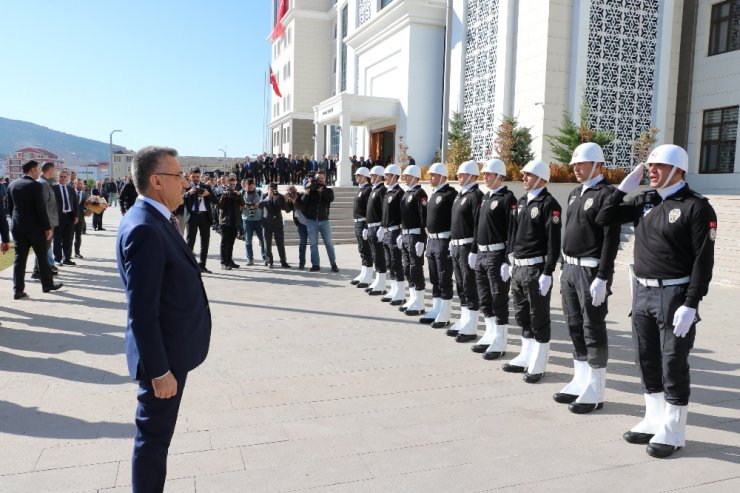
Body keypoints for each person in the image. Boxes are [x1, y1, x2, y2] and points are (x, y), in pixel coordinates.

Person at [595, 144, 716, 458]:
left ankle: (674, 430)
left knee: (673, 361)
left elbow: (703, 261)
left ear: (678, 171)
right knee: (645, 358)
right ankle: (653, 418)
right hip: (643, 292)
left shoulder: (696, 206)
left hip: (675, 295)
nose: (651, 171)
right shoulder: (645, 200)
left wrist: (692, 303)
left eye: (658, 166)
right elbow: (603, 216)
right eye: (649, 166)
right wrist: (623, 188)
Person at [116, 146, 211, 491]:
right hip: (163, 360)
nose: (185, 182)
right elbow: (142, 312)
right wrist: (159, 371)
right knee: (153, 442)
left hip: (172, 350)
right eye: (178, 175)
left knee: (157, 439)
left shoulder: (154, 218)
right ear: (157, 181)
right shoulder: (145, 228)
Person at [554, 143, 621, 414]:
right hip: (570, 268)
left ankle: (596, 388)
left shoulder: (608, 195)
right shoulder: (574, 193)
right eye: (574, 164)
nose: (575, 168)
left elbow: (611, 239)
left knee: (593, 328)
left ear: (598, 165)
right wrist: (562, 263)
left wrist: (603, 276)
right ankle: (580, 379)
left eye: (581, 164)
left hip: (591, 271)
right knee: (574, 324)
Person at [502, 159, 562, 383]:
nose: (523, 178)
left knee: (539, 317)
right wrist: (509, 256)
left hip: (536, 269)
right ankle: (526, 355)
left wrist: (548, 271)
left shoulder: (549, 204)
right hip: (518, 267)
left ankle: (538, 362)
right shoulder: (522, 201)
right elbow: (513, 232)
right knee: (522, 315)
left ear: (541, 178)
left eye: (528, 175)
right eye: (523, 174)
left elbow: (553, 242)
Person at [472, 159, 517, 359]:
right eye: (484, 174)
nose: (485, 177)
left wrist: (508, 259)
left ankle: (500, 340)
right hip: (482, 253)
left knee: (498, 297)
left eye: (489, 174)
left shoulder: (508, 198)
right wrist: (474, 250)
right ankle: (490, 334)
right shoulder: (485, 197)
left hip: (497, 254)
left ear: (500, 175)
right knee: (484, 297)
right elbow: (477, 226)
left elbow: (512, 230)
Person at [7, 160, 63, 299]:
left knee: (19, 259)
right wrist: (47, 227)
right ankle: (47, 285)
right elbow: (40, 209)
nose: (39, 170)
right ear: (32, 170)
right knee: (42, 257)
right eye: (38, 168)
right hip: (35, 229)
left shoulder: (12, 184)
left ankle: (18, 290)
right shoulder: (35, 185)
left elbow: (10, 208)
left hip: (18, 227)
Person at [447, 160, 484, 343]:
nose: (458, 177)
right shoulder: (460, 195)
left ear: (472, 175)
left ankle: (472, 325)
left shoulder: (476, 195)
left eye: (461, 174)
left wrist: (474, 249)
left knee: (469, 285)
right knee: (460, 284)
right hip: (456, 245)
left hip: (467, 246)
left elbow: (477, 224)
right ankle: (464, 319)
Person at [419, 163, 457, 327]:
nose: (430, 177)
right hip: (432, 240)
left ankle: (445, 313)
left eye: (433, 175)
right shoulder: (434, 193)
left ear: (442, 176)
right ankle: (436, 308)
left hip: (443, 241)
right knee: (434, 277)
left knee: (444, 277)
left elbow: (455, 220)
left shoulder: (450, 194)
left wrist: (452, 241)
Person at [398, 165, 428, 316]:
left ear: (416, 177)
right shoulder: (406, 193)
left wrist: (422, 239)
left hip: (415, 235)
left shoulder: (419, 193)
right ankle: (413, 298)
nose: (406, 178)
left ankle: (420, 302)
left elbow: (423, 218)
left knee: (416, 268)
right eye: (405, 176)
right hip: (405, 234)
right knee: (407, 268)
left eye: (408, 176)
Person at [299, 170, 338, 272]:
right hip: (311, 221)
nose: (320, 180)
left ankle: (333, 264)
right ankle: (315, 265)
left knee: (329, 243)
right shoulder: (311, 190)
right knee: (313, 244)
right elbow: (303, 203)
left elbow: (330, 199)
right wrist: (307, 192)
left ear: (324, 179)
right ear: (315, 179)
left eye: (322, 178)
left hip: (324, 221)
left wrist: (322, 191)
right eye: (318, 178)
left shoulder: (329, 190)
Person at [379, 164, 406, 305]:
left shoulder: (399, 193)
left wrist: (401, 233)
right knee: (389, 262)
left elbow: (402, 216)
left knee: (396, 263)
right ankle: (394, 290)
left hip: (396, 231)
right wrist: (382, 227)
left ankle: (400, 293)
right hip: (387, 232)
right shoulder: (388, 192)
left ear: (395, 176)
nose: (385, 178)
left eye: (388, 175)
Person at [183, 168, 214, 273]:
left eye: (197, 176)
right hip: (192, 217)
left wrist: (208, 194)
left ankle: (202, 265)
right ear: (190, 176)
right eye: (194, 177)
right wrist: (189, 193)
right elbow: (179, 198)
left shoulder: (206, 187)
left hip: (204, 217)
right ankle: (188, 267)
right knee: (190, 242)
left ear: (200, 176)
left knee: (205, 242)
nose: (196, 179)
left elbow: (216, 200)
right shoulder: (186, 187)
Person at [363, 166, 387, 295]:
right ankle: (377, 280)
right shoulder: (374, 189)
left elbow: (384, 211)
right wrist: (367, 227)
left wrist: (382, 226)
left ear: (379, 176)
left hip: (378, 226)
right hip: (371, 226)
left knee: (379, 255)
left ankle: (381, 283)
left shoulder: (382, 190)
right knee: (374, 254)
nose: (371, 178)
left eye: (373, 175)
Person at [33, 162, 59, 279]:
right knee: (43, 248)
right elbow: (42, 206)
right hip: (47, 223)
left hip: (49, 222)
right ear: (50, 170)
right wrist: (46, 226)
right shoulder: (43, 184)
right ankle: (38, 272)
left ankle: (39, 271)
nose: (55, 172)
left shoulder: (46, 183)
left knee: (43, 248)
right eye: (54, 170)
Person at [350, 167, 374, 287]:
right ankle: (364, 273)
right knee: (362, 250)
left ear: (365, 176)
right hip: (358, 222)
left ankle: (368, 277)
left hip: (363, 222)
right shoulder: (361, 189)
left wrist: (366, 226)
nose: (356, 177)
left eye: (358, 175)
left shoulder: (368, 190)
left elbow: (368, 211)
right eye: (356, 175)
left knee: (366, 250)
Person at [52, 169, 79, 266]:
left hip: (69, 217)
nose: (63, 178)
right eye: (61, 176)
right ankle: (57, 259)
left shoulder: (71, 189)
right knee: (57, 239)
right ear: (57, 177)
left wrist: (76, 216)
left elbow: (75, 204)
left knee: (69, 238)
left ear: (67, 178)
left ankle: (67, 258)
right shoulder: (53, 188)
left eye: (64, 177)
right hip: (58, 217)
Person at [261, 182, 290, 268]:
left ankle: (283, 261)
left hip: (278, 223)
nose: (273, 190)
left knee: (280, 243)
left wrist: (282, 200)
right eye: (271, 189)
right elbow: (261, 205)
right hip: (267, 223)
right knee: (267, 244)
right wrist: (269, 197)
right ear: (268, 189)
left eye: (274, 189)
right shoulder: (264, 196)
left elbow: (285, 209)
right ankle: (270, 261)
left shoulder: (279, 196)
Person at [217, 173, 242, 270]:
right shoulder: (222, 192)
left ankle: (229, 260)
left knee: (231, 242)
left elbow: (243, 204)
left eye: (233, 185)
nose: (232, 186)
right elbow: (219, 206)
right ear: (227, 184)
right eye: (230, 185)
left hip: (234, 221)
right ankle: (223, 262)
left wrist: (239, 195)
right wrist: (224, 195)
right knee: (224, 242)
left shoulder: (236, 193)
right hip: (225, 221)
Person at [241, 178, 266, 265]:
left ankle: (265, 257)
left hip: (258, 219)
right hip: (247, 220)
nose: (250, 189)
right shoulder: (242, 193)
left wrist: (258, 205)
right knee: (248, 241)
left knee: (262, 240)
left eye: (252, 188)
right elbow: (238, 205)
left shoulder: (259, 192)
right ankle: (250, 258)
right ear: (245, 186)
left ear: (254, 185)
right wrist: (244, 206)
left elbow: (264, 203)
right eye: (248, 188)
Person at [284, 184, 309, 270]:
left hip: (310, 223)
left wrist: (295, 201)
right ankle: (301, 263)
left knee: (313, 245)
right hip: (301, 225)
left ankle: (315, 264)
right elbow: (287, 210)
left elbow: (303, 207)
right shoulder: (290, 200)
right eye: (291, 192)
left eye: (294, 190)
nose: (294, 193)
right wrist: (287, 200)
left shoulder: (302, 195)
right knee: (302, 244)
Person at [73, 179, 87, 258]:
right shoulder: (71, 192)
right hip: (70, 218)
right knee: (69, 237)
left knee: (78, 236)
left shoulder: (84, 194)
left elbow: (85, 206)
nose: (80, 185)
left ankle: (77, 252)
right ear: (75, 184)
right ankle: (67, 255)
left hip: (81, 218)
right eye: (78, 184)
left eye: (81, 184)